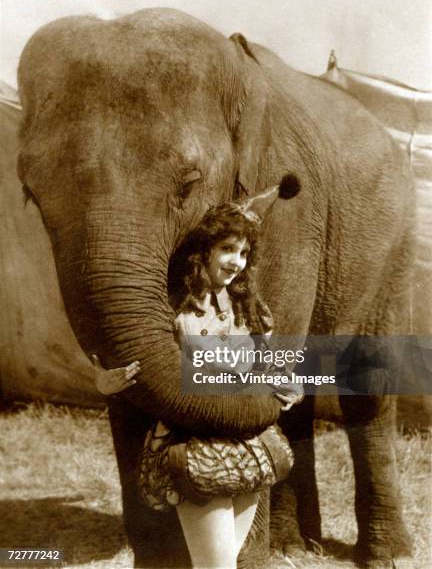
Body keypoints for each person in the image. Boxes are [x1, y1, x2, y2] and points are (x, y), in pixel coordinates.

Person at [91, 201, 303, 569]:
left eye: (243, 252)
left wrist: (289, 387)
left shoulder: (249, 309)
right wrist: (104, 383)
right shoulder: (172, 311)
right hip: (195, 450)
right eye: (227, 249)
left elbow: (272, 367)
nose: (236, 261)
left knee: (224, 563)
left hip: (250, 451)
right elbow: (139, 375)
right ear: (203, 251)